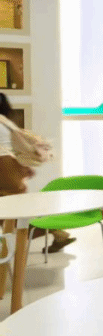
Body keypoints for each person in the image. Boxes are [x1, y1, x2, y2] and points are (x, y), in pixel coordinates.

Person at [0, 94, 74, 253]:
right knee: (13, 215)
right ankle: (57, 232)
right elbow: (13, 149)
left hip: (4, 171)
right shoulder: (6, 123)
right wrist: (23, 168)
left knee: (11, 216)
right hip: (10, 169)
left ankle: (56, 231)